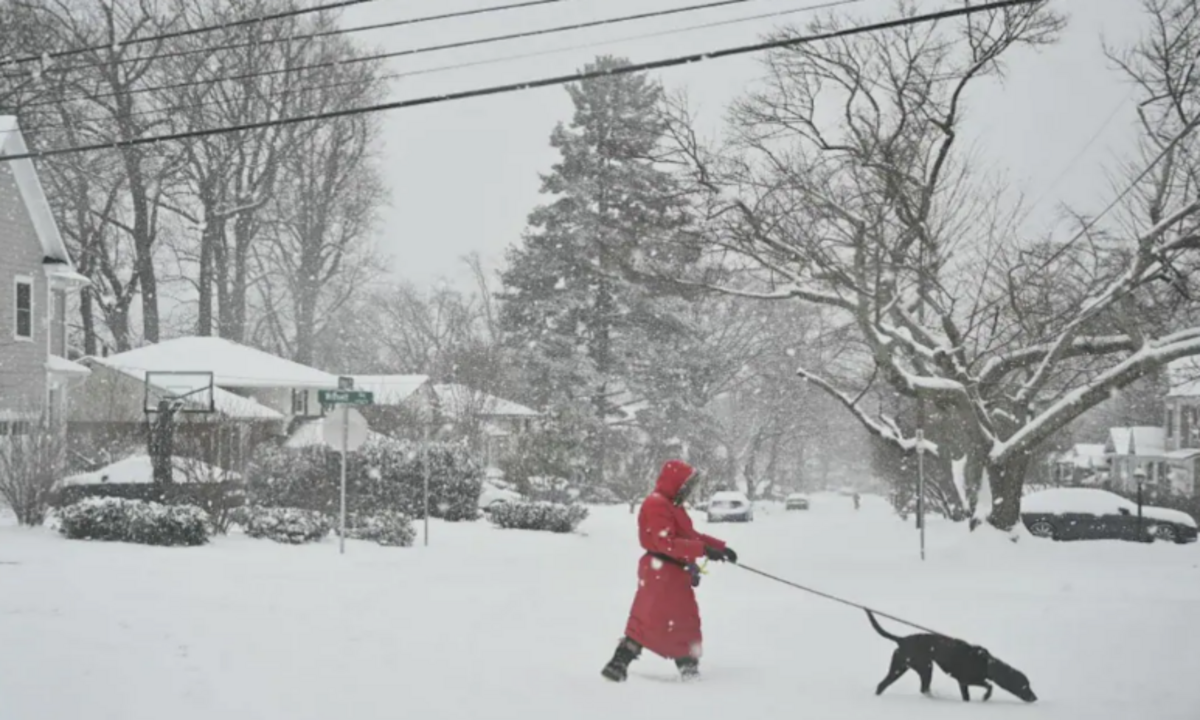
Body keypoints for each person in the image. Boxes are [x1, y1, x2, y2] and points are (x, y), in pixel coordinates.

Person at [601, 459, 737, 683]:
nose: (689, 490)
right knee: (650, 619)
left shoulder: (672, 506)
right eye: (687, 485)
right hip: (660, 572)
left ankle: (683, 665)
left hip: (672, 573)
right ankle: (622, 664)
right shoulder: (656, 504)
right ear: (676, 483)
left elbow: (690, 536)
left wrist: (720, 548)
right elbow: (665, 543)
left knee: (680, 620)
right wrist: (703, 549)